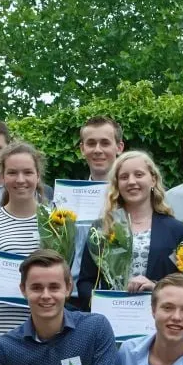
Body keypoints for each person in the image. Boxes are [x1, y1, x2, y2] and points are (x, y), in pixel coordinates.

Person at [76, 151, 183, 300]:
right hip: (111, 319)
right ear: (117, 184)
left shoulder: (175, 229)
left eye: (139, 175)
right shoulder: (101, 228)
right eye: (124, 177)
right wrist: (105, 303)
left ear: (153, 180)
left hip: (162, 318)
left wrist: (157, 289)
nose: (131, 181)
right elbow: (85, 282)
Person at [0, 141, 48, 340]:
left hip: (41, 327)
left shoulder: (56, 222)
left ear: (37, 176)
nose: (20, 179)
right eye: (12, 173)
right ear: (3, 177)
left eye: (28, 172)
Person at [68, 116, 126, 305]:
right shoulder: (67, 197)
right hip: (73, 296)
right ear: (82, 149)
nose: (98, 150)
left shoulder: (135, 198)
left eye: (105, 143)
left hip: (122, 297)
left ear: (119, 147)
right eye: (91, 143)